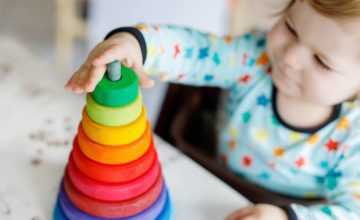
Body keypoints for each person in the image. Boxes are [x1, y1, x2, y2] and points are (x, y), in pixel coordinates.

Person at [65, 0, 360, 219]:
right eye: (291, 28)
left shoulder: (353, 135)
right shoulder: (253, 58)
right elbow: (191, 51)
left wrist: (286, 217)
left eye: (322, 61)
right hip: (205, 182)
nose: (291, 56)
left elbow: (352, 211)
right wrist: (134, 44)